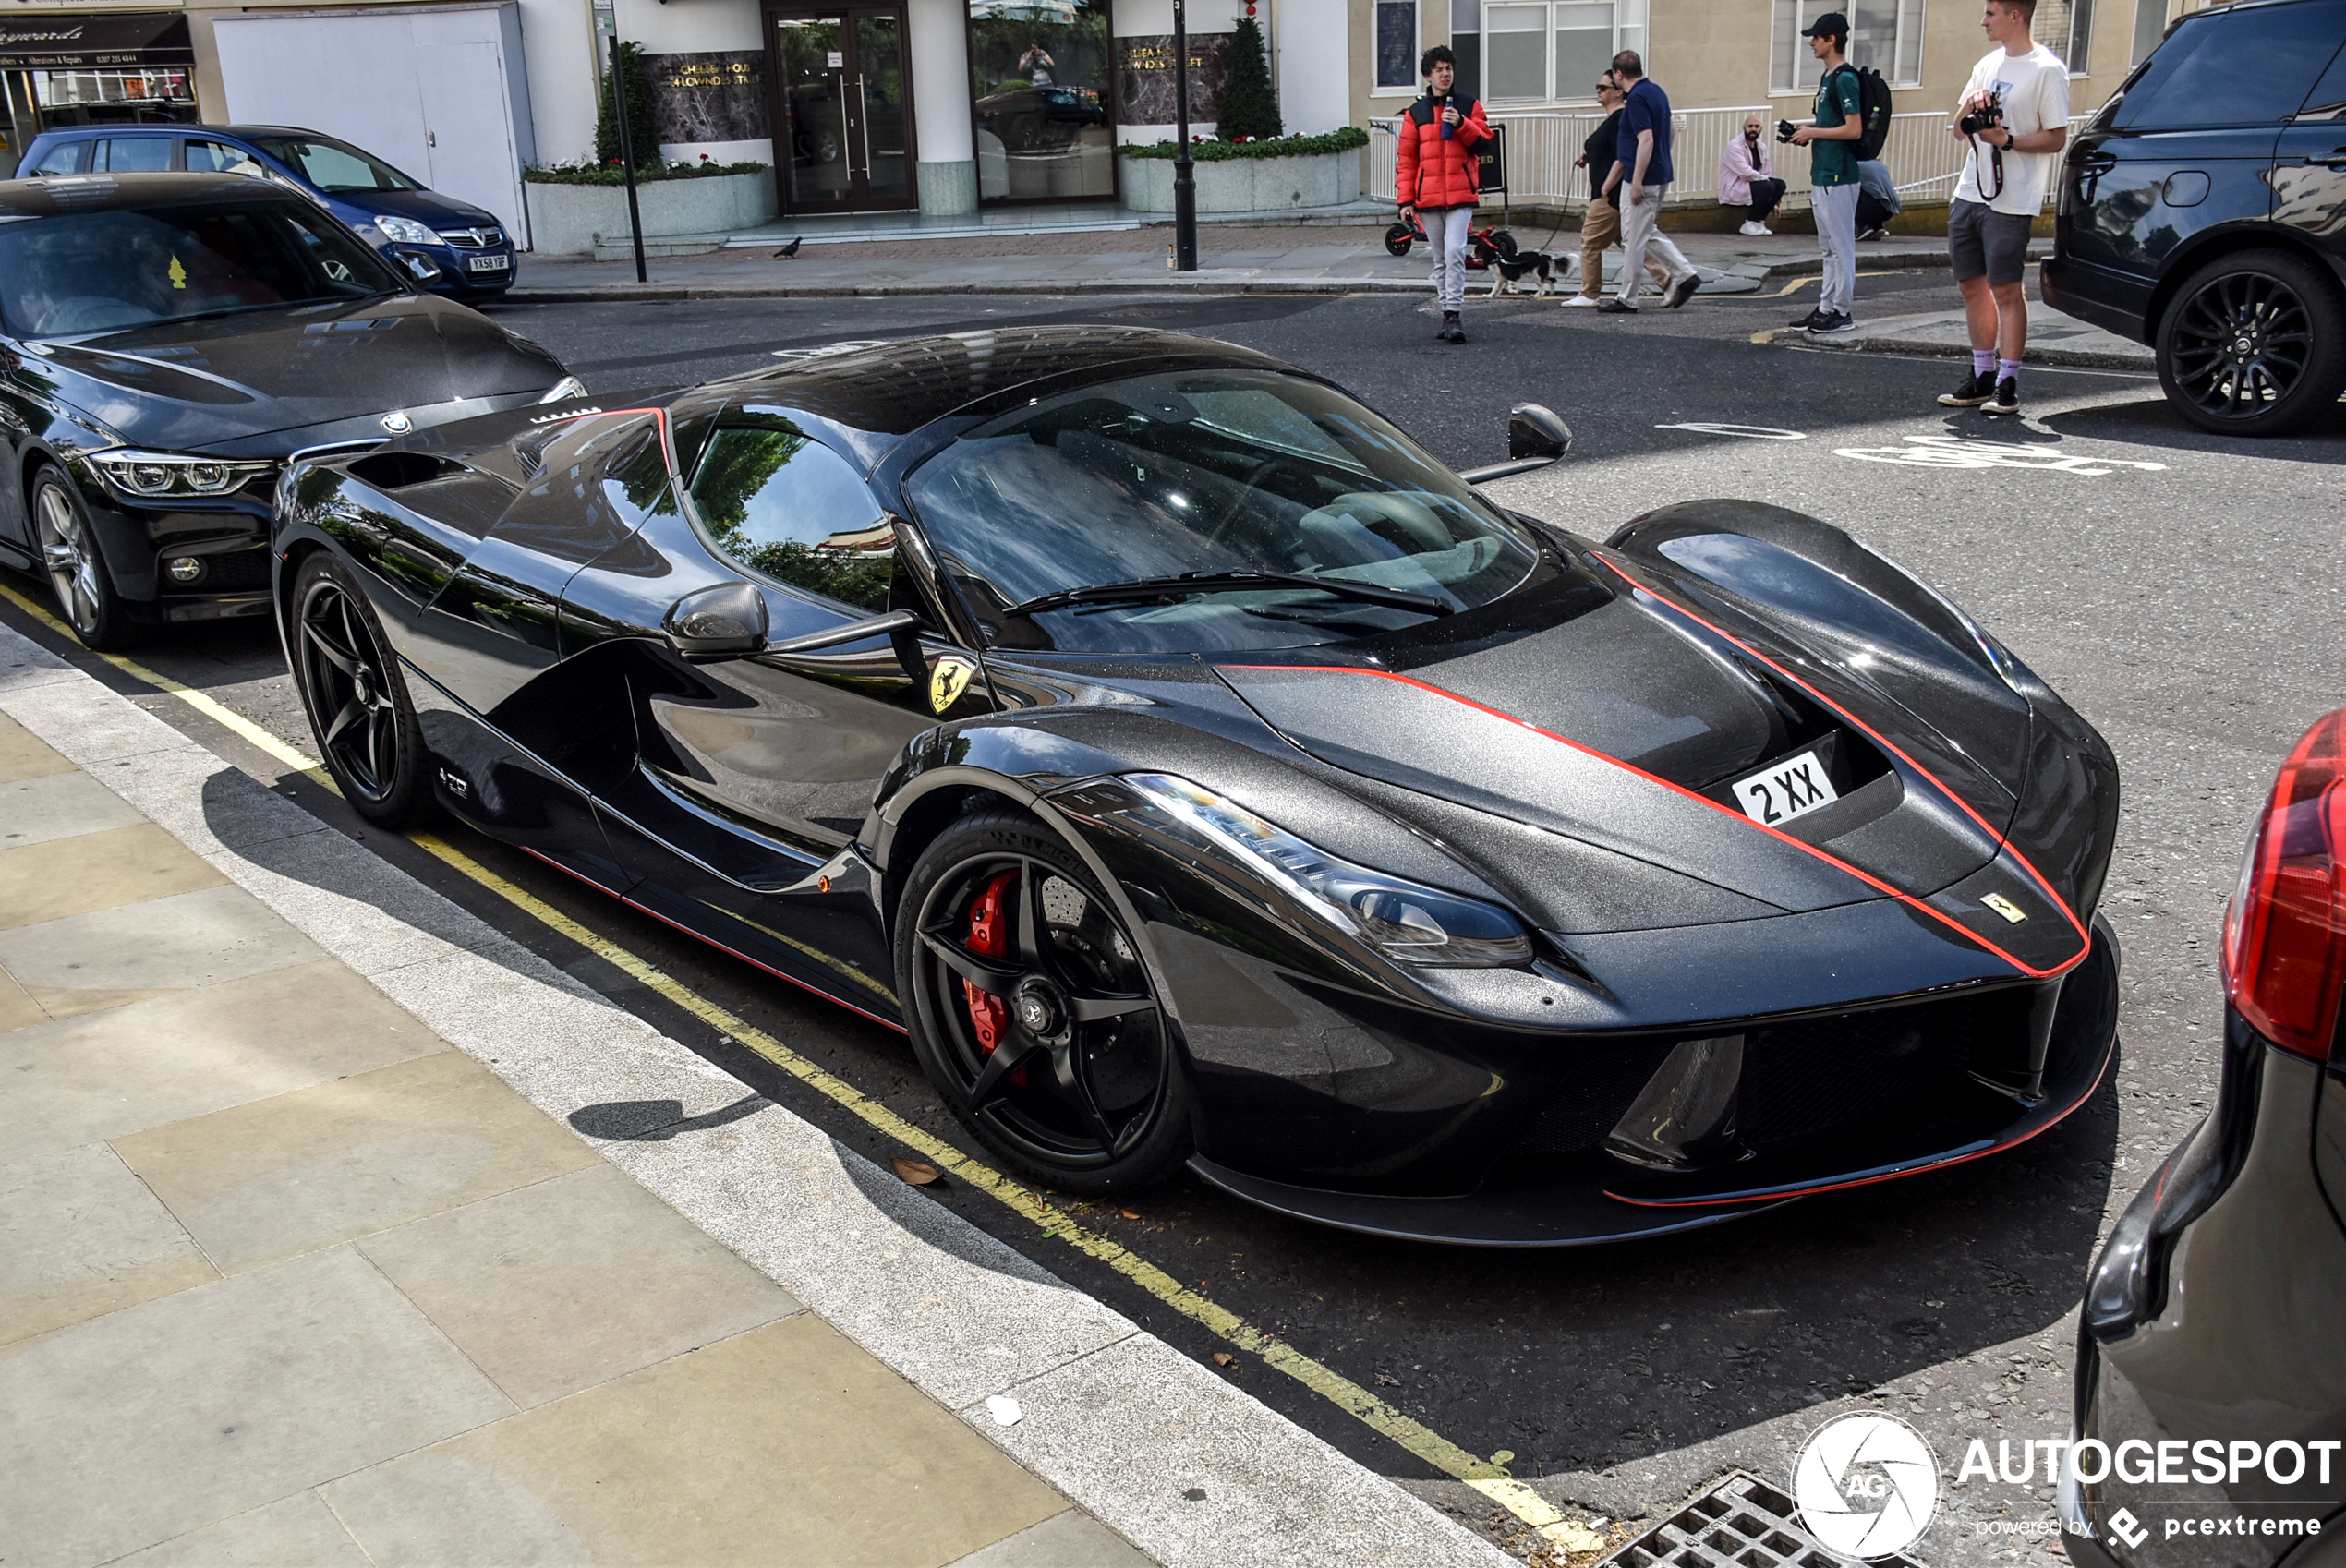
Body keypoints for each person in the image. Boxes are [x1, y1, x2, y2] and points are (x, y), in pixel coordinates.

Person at [1937, 0, 2069, 416]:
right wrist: (1972, 104)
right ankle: (1982, 375)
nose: (1983, 21)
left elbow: (2056, 138)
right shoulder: (1988, 63)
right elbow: (1959, 131)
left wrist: (2007, 141)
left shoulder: (2047, 69)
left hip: (2012, 199)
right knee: (1970, 286)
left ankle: (2008, 381)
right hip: (1970, 192)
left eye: (1991, 13)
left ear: (2016, 15)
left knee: (2007, 290)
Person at [1396, 44, 1491, 344]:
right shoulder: (1416, 113)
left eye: (1449, 68)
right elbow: (1407, 159)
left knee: (1454, 252)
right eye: (1439, 69)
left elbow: (1485, 142)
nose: (1445, 73)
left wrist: (1462, 124)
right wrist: (1405, 201)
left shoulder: (1469, 105)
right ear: (1428, 75)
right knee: (1439, 257)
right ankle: (1445, 313)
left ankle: (1454, 313)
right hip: (1428, 197)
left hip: (1461, 195)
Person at [1597, 51, 1700, 314]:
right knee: (1645, 231)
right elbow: (1671, 129)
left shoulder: (1637, 100)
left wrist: (1636, 181)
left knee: (1632, 239)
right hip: (1661, 172)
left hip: (1643, 176)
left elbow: (1646, 139)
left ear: (1619, 75)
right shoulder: (1657, 92)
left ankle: (1627, 298)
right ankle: (1686, 275)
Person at [1566, 70, 1673, 307]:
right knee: (1630, 242)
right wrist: (1589, 157)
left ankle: (1589, 293)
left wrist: (1607, 187)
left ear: (1618, 91)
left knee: (1590, 242)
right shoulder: (1614, 119)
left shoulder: (1620, 118)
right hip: (1612, 194)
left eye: (1603, 87)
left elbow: (1623, 156)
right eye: (1598, 86)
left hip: (1609, 196)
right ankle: (1669, 281)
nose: (1598, 90)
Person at [1788, 12, 1866, 334]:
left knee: (1841, 247)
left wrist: (1814, 133)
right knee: (1828, 248)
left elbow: (1854, 129)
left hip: (1839, 176)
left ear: (1831, 39)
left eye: (1816, 37)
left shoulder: (1845, 78)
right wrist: (1805, 129)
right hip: (1823, 175)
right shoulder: (1828, 78)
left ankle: (1842, 312)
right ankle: (1825, 307)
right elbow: (1831, 124)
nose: (1811, 43)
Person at [1720, 115, 1785, 236]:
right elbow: (1745, 173)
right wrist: (1767, 181)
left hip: (1754, 184)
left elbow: (1767, 171)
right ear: (1744, 127)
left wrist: (1775, 203)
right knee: (1768, 186)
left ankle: (1759, 222)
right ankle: (1749, 222)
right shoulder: (1735, 146)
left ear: (1761, 128)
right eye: (1750, 126)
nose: (1753, 129)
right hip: (1736, 186)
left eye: (1756, 126)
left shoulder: (1761, 147)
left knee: (1780, 185)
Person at [1856, 156, 1902, 239]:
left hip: (1870, 208)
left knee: (1849, 195)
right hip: (1890, 210)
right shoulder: (1879, 165)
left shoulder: (1856, 165)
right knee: (1872, 191)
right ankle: (1878, 227)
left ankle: (1864, 227)